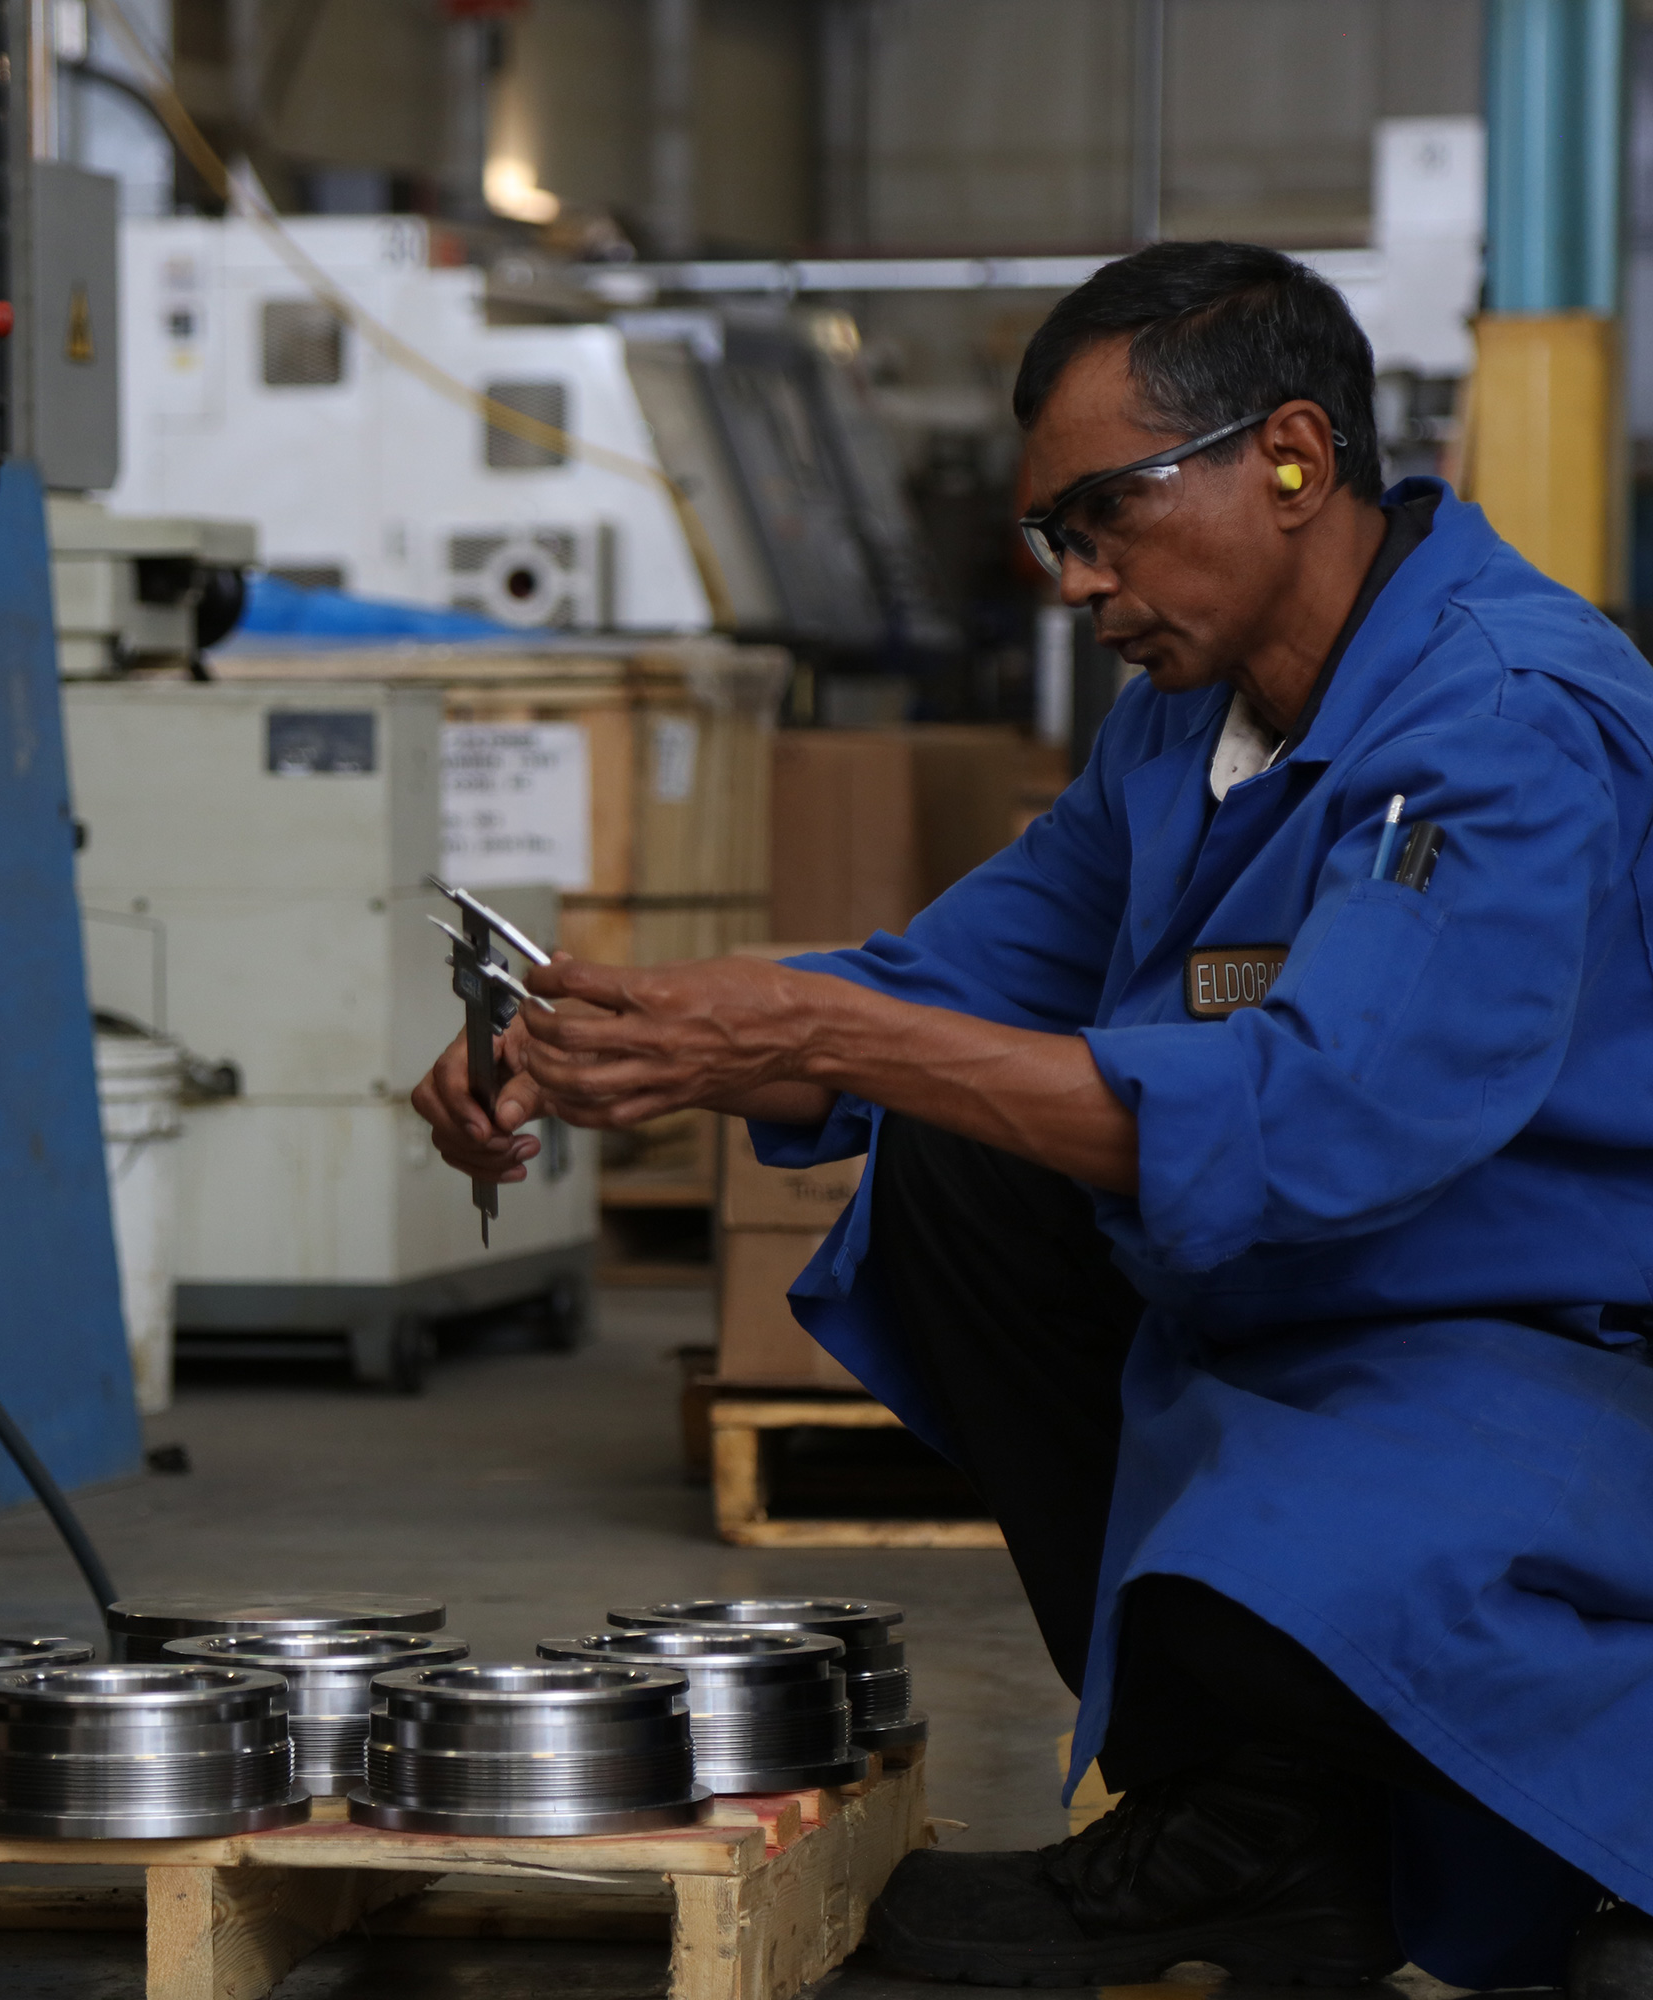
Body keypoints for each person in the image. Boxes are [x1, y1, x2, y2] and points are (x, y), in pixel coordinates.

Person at [409, 241, 1653, 1992]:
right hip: (1295, 1308)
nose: (1075, 581)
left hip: (1547, 1344)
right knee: (957, 1178)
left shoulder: (1505, 721)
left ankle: (1539, 1836)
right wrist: (618, 1042)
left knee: (1272, 1585)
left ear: (1292, 459)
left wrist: (831, 1023)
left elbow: (1331, 1112)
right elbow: (935, 997)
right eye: (1050, 538)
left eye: (1102, 518)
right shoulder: (1178, 736)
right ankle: (1250, 1832)